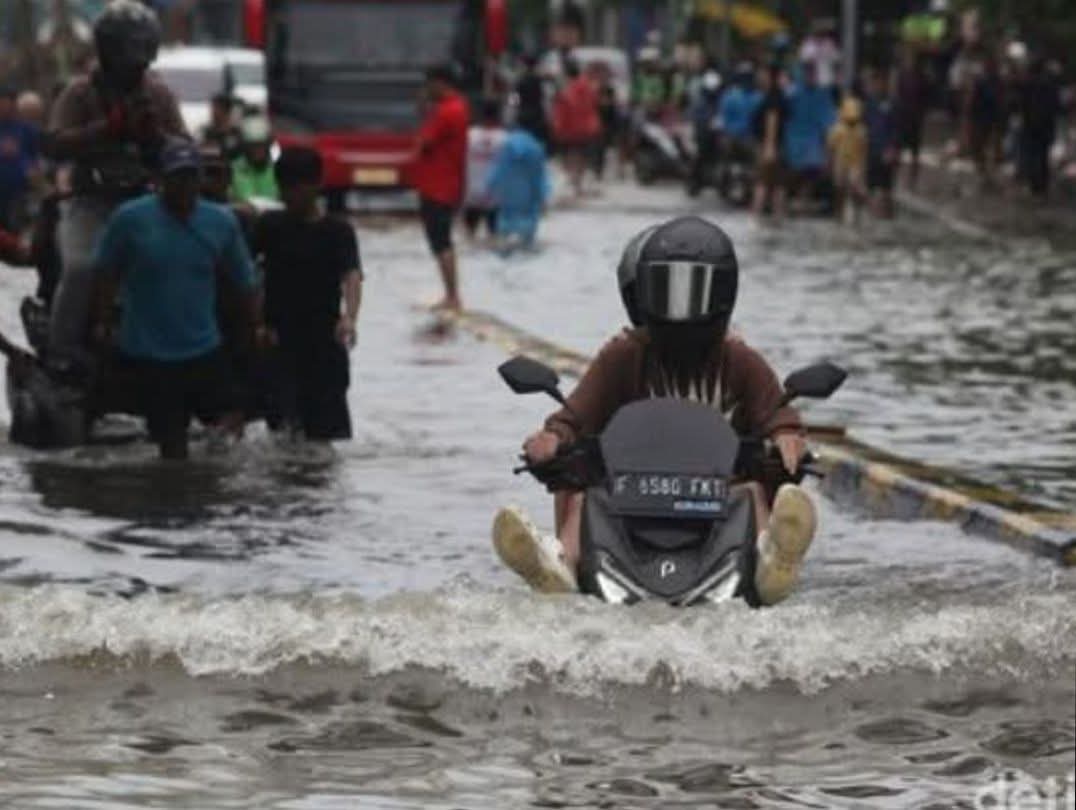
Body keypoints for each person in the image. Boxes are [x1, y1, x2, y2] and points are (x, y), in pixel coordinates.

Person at [492, 217, 816, 606]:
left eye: (694, 292)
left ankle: (771, 561)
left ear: (723, 295)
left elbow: (779, 416)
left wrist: (787, 440)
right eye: (668, 292)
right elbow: (573, 417)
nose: (680, 310)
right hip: (628, 504)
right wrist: (551, 440)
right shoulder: (623, 355)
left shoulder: (740, 360)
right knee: (580, 491)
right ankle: (559, 564)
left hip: (719, 507)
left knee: (753, 494)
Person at [90, 138, 261, 459]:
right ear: (160, 180)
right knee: (172, 447)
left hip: (204, 346)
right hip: (151, 351)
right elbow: (105, 271)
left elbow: (246, 281)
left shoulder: (221, 222)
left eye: (190, 177)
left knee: (234, 414)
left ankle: (209, 478)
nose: (184, 186)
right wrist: (103, 320)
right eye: (176, 177)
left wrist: (257, 327)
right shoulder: (130, 220)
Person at [43, 0, 187, 372]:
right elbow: (54, 143)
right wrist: (106, 130)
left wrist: (155, 136)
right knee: (81, 266)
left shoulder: (157, 95)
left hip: (146, 200)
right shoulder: (79, 93)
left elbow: (184, 148)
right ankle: (62, 349)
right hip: (90, 200)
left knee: (178, 262)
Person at [253, 147, 362, 441]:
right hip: (280, 341)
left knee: (324, 438)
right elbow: (250, 276)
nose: (289, 196)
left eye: (295, 187)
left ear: (315, 186)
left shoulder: (338, 231)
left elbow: (352, 275)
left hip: (325, 342)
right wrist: (257, 323)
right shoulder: (270, 226)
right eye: (284, 187)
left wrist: (350, 318)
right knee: (283, 433)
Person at [409, 64, 469, 312]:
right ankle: (452, 294)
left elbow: (423, 142)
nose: (427, 90)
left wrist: (423, 112)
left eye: (430, 84)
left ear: (440, 83)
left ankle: (452, 296)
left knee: (440, 242)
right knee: (442, 241)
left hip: (438, 186)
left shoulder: (446, 112)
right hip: (448, 184)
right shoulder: (459, 107)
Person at [485, 122, 550, 252]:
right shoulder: (535, 150)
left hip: (507, 198)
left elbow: (496, 173)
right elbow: (540, 178)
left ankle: (504, 244)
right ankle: (526, 244)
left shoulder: (506, 148)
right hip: (529, 201)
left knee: (504, 224)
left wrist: (490, 188)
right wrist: (543, 197)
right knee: (527, 242)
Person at [783, 62, 836, 209]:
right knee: (793, 172)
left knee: (811, 172)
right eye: (808, 73)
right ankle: (790, 200)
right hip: (793, 137)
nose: (810, 76)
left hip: (813, 139)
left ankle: (804, 200)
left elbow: (829, 119)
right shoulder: (792, 93)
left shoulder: (821, 94)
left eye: (813, 73)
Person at [552, 60, 601, 197]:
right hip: (588, 127)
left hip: (572, 128)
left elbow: (563, 108)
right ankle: (578, 183)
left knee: (573, 154)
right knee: (582, 155)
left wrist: (558, 126)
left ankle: (575, 183)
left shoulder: (568, 89)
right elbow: (594, 103)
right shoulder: (588, 86)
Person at [463, 98, 507, 241]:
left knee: (469, 236)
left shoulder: (469, 135)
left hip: (472, 193)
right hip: (496, 195)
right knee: (494, 237)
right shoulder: (506, 139)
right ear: (499, 115)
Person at [1017, 58, 1061, 200]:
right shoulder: (1052, 85)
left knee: (1031, 156)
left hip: (1031, 126)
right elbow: (1057, 107)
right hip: (1047, 127)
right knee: (1043, 157)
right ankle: (1042, 187)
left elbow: (1022, 104)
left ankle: (1034, 186)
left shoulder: (1028, 84)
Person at [0, 84, 41, 232]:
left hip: (21, 193)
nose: (4, 106)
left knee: (17, 231)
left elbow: (36, 159)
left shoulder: (26, 128)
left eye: (6, 101)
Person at [752, 64, 788, 219]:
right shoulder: (774, 95)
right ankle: (776, 213)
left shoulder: (773, 97)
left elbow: (771, 121)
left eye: (763, 75)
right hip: (775, 145)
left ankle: (757, 214)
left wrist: (769, 146)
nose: (760, 78)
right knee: (776, 183)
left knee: (764, 182)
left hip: (771, 145)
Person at [827, 96, 868, 224]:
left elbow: (864, 151)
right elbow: (831, 148)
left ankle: (856, 214)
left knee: (854, 188)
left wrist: (862, 169)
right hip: (840, 163)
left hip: (854, 164)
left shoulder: (861, 131)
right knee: (840, 188)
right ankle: (839, 213)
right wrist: (830, 164)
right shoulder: (837, 129)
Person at [863, 68, 898, 217]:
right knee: (871, 182)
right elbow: (864, 126)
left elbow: (896, 128)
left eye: (878, 83)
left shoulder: (892, 104)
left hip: (885, 149)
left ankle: (886, 211)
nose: (875, 86)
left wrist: (892, 148)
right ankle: (872, 211)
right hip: (871, 148)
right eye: (873, 83)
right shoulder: (868, 104)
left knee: (886, 184)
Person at [893, 49, 930, 188]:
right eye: (908, 58)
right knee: (898, 149)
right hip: (903, 116)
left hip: (915, 118)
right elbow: (898, 94)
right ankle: (896, 178)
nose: (910, 61)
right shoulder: (902, 75)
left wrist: (921, 113)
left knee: (914, 151)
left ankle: (911, 181)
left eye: (912, 58)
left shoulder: (922, 77)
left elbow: (926, 97)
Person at [230, 116, 278, 203]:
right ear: (245, 146)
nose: (257, 149)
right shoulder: (234, 169)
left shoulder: (277, 169)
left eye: (261, 144)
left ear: (268, 144)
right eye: (253, 145)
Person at [515, 54, 549, 149]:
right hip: (537, 114)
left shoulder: (520, 80)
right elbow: (544, 97)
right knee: (537, 141)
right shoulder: (540, 80)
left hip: (523, 113)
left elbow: (515, 98)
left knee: (522, 141)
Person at [200, 92, 241, 159]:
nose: (212, 112)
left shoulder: (235, 134)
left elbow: (234, 154)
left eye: (216, 108)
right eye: (212, 108)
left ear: (226, 111)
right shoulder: (207, 132)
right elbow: (201, 151)